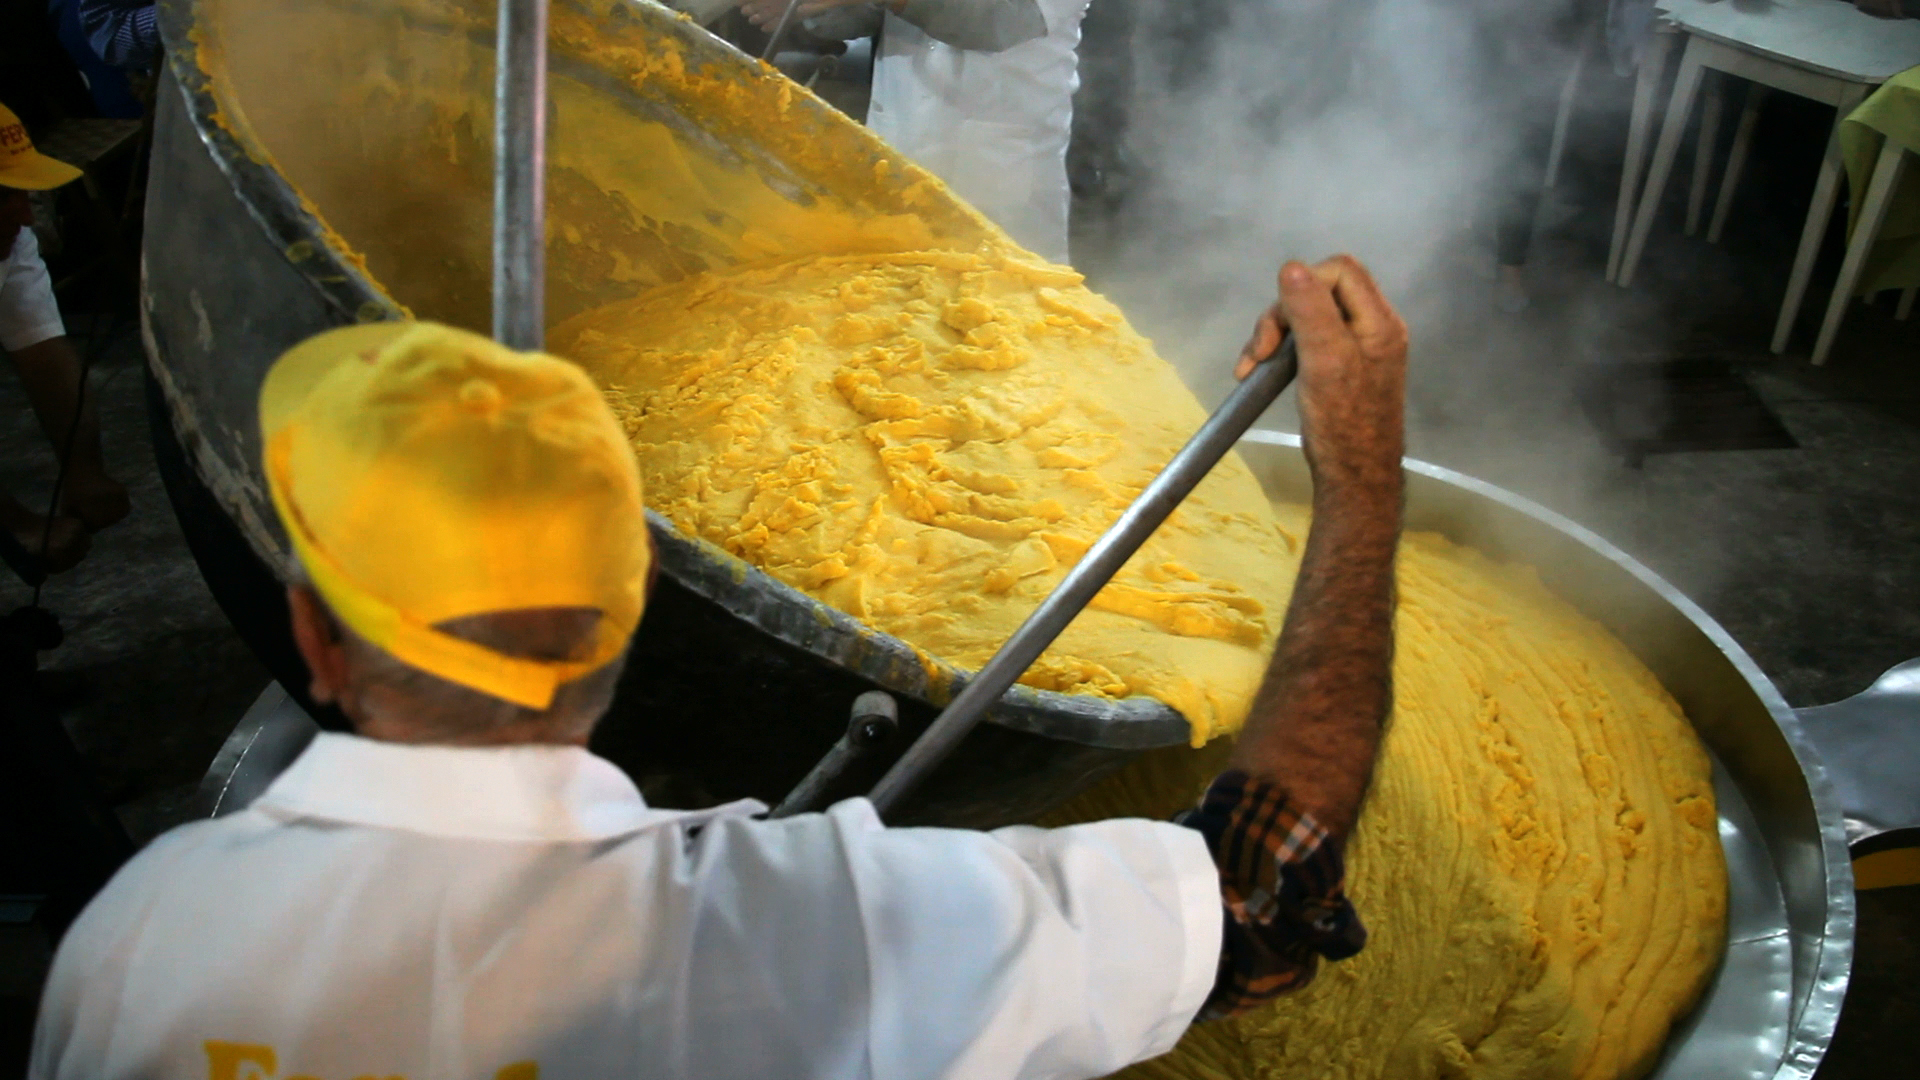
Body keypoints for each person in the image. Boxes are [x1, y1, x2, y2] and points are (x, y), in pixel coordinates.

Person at [30, 255, 1408, 1080]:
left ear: (315, 634)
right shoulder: (793, 936)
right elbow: (1260, 899)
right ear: (628, 622)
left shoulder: (135, 943)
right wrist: (1358, 482)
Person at [741, 0, 1086, 264]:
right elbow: (871, 14)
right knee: (899, 301)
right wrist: (806, 9)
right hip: (899, 140)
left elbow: (999, 21)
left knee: (1008, 305)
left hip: (993, 166)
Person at [1, 101, 129, 576]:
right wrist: (16, 525)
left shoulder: (9, 236)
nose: (25, 216)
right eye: (3, 197)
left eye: (21, 193)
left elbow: (40, 348)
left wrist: (84, 470)